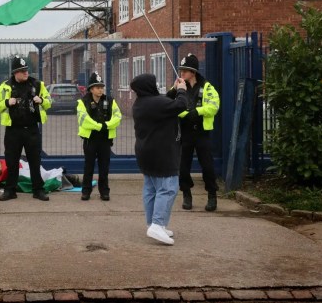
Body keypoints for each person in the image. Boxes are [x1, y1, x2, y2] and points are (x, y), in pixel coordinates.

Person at [131, 73, 189, 245]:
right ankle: (157, 224)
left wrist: (173, 90)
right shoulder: (155, 103)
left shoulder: (141, 103)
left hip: (145, 153)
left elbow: (164, 103)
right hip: (161, 154)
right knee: (168, 188)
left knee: (151, 189)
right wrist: (182, 90)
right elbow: (181, 105)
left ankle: (155, 223)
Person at [0, 55, 52, 201]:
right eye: (22, 71)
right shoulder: (5, 86)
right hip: (13, 130)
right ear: (15, 73)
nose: (26, 73)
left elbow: (49, 102)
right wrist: (6, 102)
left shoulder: (37, 85)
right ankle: (10, 191)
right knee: (12, 162)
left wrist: (42, 100)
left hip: (32, 129)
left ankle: (38, 190)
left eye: (26, 70)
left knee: (35, 161)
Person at [166, 53, 221, 212]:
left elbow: (213, 106)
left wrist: (196, 112)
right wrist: (175, 89)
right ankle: (186, 194)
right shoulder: (179, 86)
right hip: (185, 133)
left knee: (207, 166)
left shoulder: (207, 87)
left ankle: (212, 195)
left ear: (193, 72)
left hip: (201, 132)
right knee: (183, 167)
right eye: (181, 70)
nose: (182, 73)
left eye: (185, 70)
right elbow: (168, 103)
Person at [76, 71, 122, 201]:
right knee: (88, 166)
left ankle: (104, 192)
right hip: (90, 139)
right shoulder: (83, 102)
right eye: (97, 87)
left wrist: (106, 125)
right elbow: (83, 119)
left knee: (104, 167)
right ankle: (86, 191)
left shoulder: (110, 101)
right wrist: (99, 126)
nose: (101, 89)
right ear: (91, 89)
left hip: (105, 139)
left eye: (102, 87)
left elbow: (118, 116)